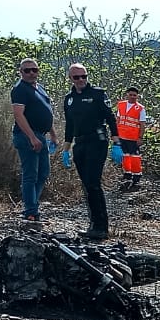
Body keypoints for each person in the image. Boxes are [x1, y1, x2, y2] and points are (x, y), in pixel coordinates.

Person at [61, 64, 119, 241]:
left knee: (94, 183)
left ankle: (102, 227)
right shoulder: (69, 99)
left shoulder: (97, 94)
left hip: (97, 140)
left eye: (83, 76)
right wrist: (66, 148)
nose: (81, 80)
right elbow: (70, 125)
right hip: (80, 143)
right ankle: (93, 224)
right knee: (87, 186)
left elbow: (110, 118)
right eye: (76, 77)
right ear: (70, 78)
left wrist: (117, 142)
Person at [10, 58, 57, 225]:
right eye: (27, 70)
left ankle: (32, 205)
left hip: (41, 135)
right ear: (20, 72)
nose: (31, 73)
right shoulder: (19, 89)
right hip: (27, 136)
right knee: (30, 174)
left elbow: (47, 111)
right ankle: (31, 211)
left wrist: (52, 134)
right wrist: (31, 137)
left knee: (43, 172)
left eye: (34, 70)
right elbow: (18, 115)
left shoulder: (39, 88)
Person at [115, 86, 147, 191]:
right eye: (131, 95)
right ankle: (127, 174)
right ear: (127, 94)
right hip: (122, 136)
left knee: (135, 157)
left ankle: (136, 176)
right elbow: (118, 120)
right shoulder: (121, 105)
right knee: (125, 156)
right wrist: (115, 134)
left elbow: (142, 124)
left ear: (137, 96)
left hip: (133, 138)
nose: (133, 97)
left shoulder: (140, 108)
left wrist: (140, 137)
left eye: (135, 95)